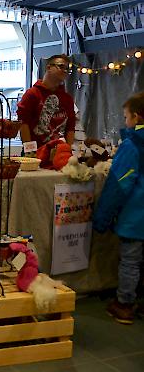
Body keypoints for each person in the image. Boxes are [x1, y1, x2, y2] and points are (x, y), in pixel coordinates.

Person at [93, 92, 144, 325]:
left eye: (126, 117)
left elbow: (118, 185)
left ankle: (124, 304)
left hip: (136, 217)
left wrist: (101, 218)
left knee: (130, 261)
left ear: (136, 117)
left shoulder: (132, 145)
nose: (125, 122)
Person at [17, 54, 75, 148]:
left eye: (67, 69)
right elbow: (23, 123)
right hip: (37, 154)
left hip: (59, 154)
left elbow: (70, 127)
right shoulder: (32, 94)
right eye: (61, 66)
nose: (65, 71)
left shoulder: (67, 98)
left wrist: (67, 150)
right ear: (49, 67)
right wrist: (30, 152)